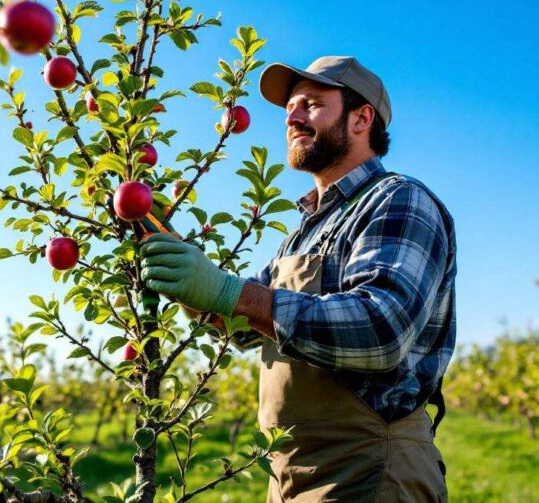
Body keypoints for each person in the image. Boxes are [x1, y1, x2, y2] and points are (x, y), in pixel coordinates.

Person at [141, 56, 457, 502]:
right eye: (291, 107)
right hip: (290, 474)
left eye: (310, 104)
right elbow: (245, 328)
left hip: (370, 471)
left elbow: (382, 328)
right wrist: (183, 272)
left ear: (361, 118)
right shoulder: (304, 230)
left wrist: (233, 292)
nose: (292, 117)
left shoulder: (399, 200)